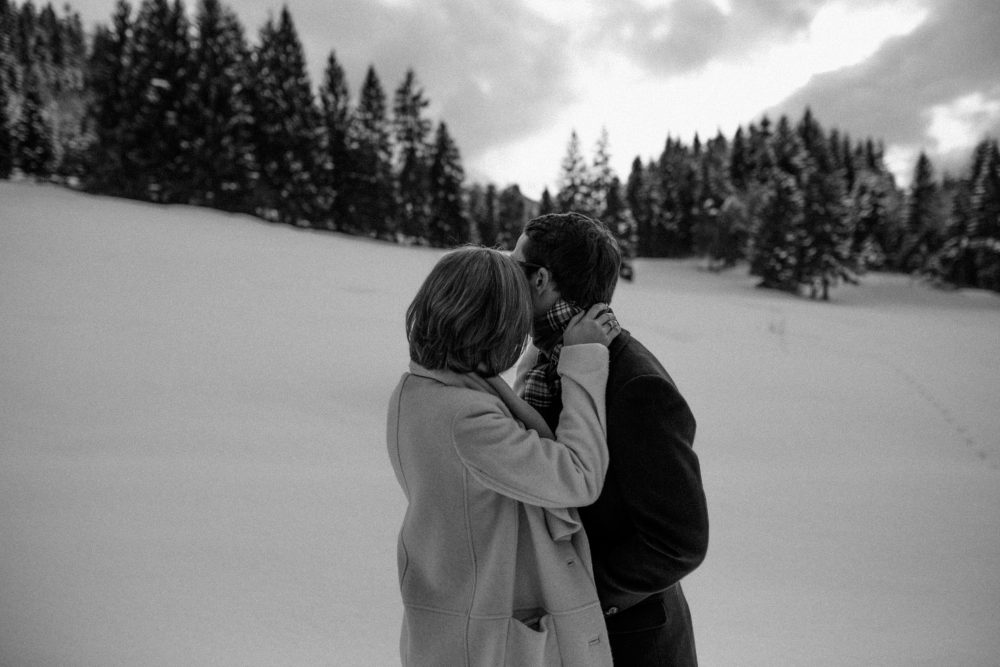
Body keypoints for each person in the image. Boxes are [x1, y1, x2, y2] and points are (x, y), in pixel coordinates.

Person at [386, 246, 621, 666]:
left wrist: (541, 357)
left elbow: (502, 415)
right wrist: (582, 359)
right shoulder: (466, 420)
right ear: (495, 327)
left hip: (458, 620)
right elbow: (578, 476)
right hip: (485, 640)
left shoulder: (421, 389)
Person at [511, 213, 710, 666]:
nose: (505, 278)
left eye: (513, 266)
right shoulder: (545, 359)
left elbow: (679, 541)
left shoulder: (636, 384)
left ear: (540, 280)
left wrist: (580, 593)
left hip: (632, 644)